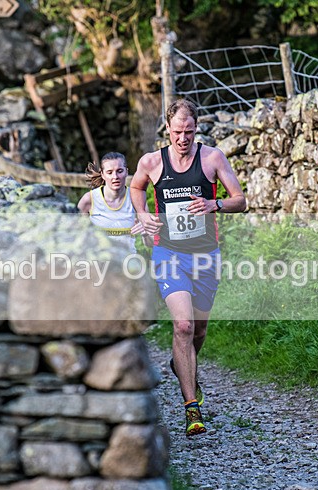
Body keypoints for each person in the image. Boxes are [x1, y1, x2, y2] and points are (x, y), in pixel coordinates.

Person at [130, 99, 246, 437]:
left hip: (206, 256)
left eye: (190, 131)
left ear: (197, 129)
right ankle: (191, 407)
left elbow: (240, 199)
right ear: (167, 129)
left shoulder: (212, 158)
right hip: (168, 253)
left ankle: (182, 365)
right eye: (178, 132)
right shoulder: (152, 162)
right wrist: (142, 213)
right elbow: (136, 187)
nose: (183, 138)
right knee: (182, 325)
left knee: (198, 332)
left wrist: (215, 203)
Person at [77, 151, 149, 253]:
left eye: (119, 171)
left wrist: (145, 232)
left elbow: (149, 244)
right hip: (99, 261)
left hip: (128, 262)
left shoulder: (137, 198)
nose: (115, 177)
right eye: (109, 172)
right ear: (102, 174)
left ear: (126, 172)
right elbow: (75, 236)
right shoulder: (89, 199)